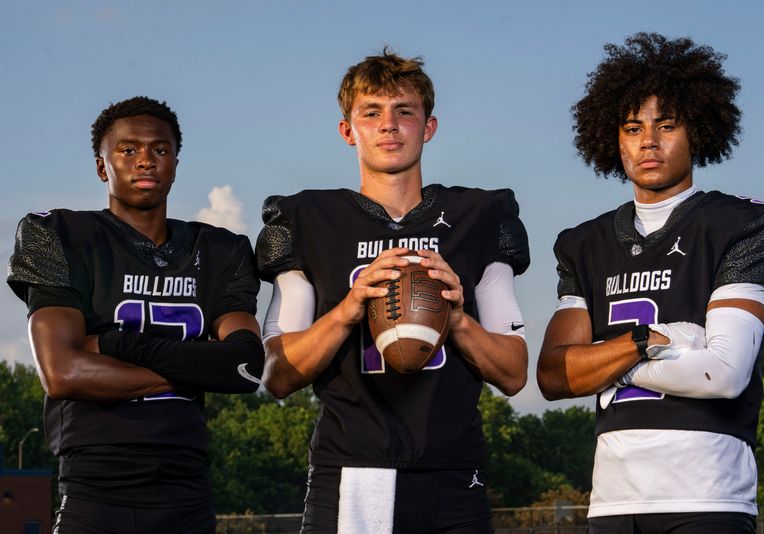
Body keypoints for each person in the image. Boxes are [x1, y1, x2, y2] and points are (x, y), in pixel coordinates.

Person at [256, 48, 530, 533]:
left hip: (455, 470)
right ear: (348, 131)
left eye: (405, 111)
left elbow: (513, 373)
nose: (389, 125)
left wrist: (458, 317)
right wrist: (348, 309)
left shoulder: (480, 217)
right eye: (372, 113)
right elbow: (277, 375)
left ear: (429, 127)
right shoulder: (308, 220)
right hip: (353, 470)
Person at [537, 33, 764, 534]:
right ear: (613, 138)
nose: (648, 141)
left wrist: (610, 365)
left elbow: (722, 374)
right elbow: (553, 376)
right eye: (633, 127)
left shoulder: (744, 224)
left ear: (696, 131)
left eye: (667, 125)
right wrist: (646, 343)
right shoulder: (583, 243)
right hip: (612, 498)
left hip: (708, 492)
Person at [7, 96, 264, 533]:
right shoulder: (62, 236)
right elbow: (63, 373)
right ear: (102, 166)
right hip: (95, 488)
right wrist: (201, 365)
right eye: (128, 150)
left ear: (176, 163)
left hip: (186, 487)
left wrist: (115, 344)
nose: (146, 160)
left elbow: (246, 365)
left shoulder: (220, 251)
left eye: (160, 150)